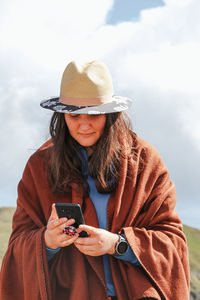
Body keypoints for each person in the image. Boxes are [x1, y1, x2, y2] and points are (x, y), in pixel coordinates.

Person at [0, 60, 190, 300]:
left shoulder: (145, 161)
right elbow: (17, 248)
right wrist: (48, 241)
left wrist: (118, 245)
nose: (84, 125)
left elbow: (173, 243)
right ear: (61, 115)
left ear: (112, 114)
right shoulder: (39, 167)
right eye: (74, 115)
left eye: (94, 114)